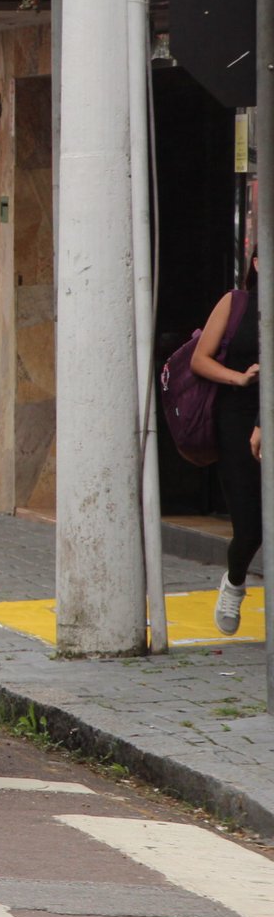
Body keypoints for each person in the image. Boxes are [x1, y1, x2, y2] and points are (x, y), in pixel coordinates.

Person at [191, 252, 260, 635]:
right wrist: (239, 378)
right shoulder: (236, 303)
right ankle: (234, 584)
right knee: (249, 526)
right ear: (256, 262)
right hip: (236, 416)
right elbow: (199, 360)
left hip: (266, 416)